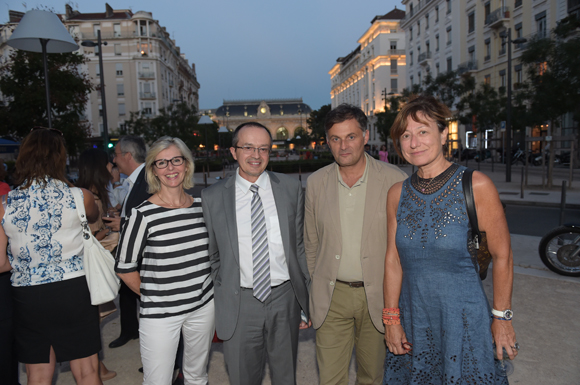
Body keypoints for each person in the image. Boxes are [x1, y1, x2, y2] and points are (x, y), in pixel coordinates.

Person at [383, 95, 517, 384]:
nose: (414, 142)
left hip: (464, 319)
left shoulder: (476, 184)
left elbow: (503, 256)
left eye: (423, 131)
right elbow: (393, 259)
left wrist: (502, 318)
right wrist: (391, 320)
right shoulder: (397, 194)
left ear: (444, 134)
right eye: (405, 135)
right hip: (414, 317)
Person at [304, 104, 407, 385]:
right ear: (327, 142)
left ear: (365, 135)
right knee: (330, 378)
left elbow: (404, 249)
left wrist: (396, 304)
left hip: (377, 296)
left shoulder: (395, 180)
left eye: (350, 137)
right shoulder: (315, 183)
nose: (343, 146)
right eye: (335, 139)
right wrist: (312, 292)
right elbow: (311, 243)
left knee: (371, 377)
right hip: (331, 297)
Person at [201, 122, 310, 385]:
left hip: (284, 298)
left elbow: (299, 248)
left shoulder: (290, 188)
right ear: (233, 151)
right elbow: (212, 255)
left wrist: (303, 301)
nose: (256, 155)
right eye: (248, 147)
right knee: (242, 376)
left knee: (286, 376)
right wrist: (226, 289)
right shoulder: (212, 196)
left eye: (263, 148)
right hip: (240, 303)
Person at [0, 127, 102, 385]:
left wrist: (28, 264)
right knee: (87, 371)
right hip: (74, 289)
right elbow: (94, 221)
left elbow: (0, 263)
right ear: (60, 158)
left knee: (38, 375)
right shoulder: (80, 196)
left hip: (28, 295)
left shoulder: (4, 203)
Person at [115, 137, 214, 385]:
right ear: (153, 170)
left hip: (203, 308)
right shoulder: (142, 214)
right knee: (158, 380)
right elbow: (125, 268)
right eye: (162, 163)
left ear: (187, 165)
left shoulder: (203, 207)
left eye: (176, 160)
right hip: (160, 315)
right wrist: (153, 296)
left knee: (196, 375)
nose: (170, 168)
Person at [103, 135, 152, 349]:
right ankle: (130, 331)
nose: (114, 160)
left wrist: (122, 223)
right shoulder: (134, 180)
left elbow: (154, 217)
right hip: (133, 252)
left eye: (116, 154)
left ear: (128, 156)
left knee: (150, 305)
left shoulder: (150, 179)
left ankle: (162, 358)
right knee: (128, 293)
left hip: (147, 254)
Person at [77, 148, 120, 381]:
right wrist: (109, 229)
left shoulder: (92, 194)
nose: (113, 168)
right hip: (91, 268)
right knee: (90, 321)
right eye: (109, 164)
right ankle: (94, 367)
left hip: (91, 267)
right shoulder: (90, 198)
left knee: (92, 320)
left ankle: (97, 364)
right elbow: (89, 237)